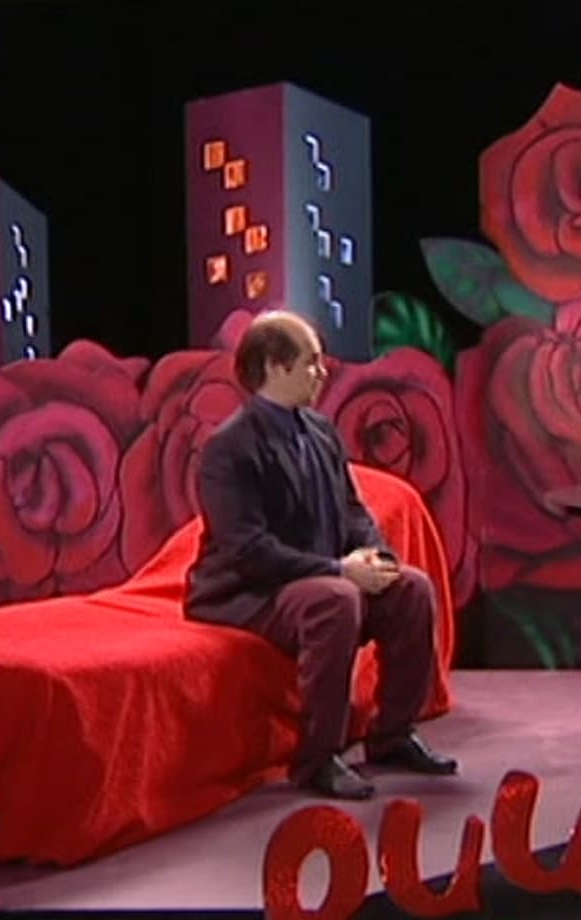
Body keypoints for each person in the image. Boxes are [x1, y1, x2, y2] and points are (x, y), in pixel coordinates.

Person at [185, 310, 455, 800]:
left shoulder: (320, 431)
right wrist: (339, 570)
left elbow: (352, 509)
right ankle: (317, 759)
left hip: (319, 576)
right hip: (250, 590)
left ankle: (393, 734)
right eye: (310, 362)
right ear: (275, 367)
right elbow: (247, 549)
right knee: (335, 600)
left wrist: (376, 558)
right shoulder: (229, 448)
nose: (322, 372)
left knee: (411, 588)